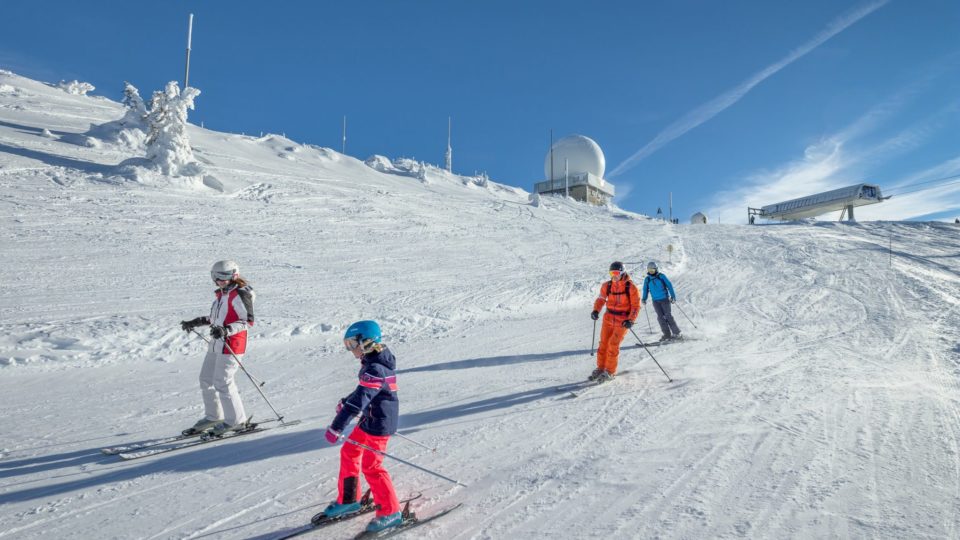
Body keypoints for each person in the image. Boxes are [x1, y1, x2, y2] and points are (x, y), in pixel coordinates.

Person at [320, 320, 402, 534]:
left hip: (380, 424)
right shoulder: (372, 362)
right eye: (347, 344)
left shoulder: (375, 369)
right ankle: (349, 499)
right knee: (349, 451)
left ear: (367, 342)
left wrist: (337, 427)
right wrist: (345, 400)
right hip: (369, 420)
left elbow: (359, 402)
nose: (350, 349)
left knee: (372, 466)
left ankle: (391, 512)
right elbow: (362, 392)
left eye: (352, 344)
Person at [179, 260, 255, 437]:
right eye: (216, 276)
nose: (220, 280)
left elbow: (247, 321)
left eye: (224, 276)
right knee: (206, 379)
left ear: (234, 275)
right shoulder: (222, 294)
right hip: (217, 342)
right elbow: (216, 318)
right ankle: (214, 417)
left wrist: (227, 330)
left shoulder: (240, 294)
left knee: (223, 381)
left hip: (232, 343)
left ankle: (236, 421)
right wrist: (197, 322)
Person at [590, 261, 640, 382]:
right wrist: (596, 310)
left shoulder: (630, 287)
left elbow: (636, 306)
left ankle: (610, 371)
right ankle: (601, 368)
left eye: (616, 273)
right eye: (612, 273)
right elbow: (601, 299)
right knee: (603, 344)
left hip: (622, 321)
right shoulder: (607, 285)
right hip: (608, 318)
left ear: (622, 273)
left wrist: (631, 320)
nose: (614, 276)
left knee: (613, 345)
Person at [641, 261, 682, 341]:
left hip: (664, 299)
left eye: (652, 270)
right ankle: (667, 335)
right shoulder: (647, 279)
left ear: (656, 269)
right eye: (649, 270)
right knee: (660, 318)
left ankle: (677, 333)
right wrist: (644, 298)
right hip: (655, 301)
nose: (651, 272)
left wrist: (673, 296)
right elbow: (645, 289)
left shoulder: (661, 276)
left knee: (668, 316)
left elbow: (669, 285)